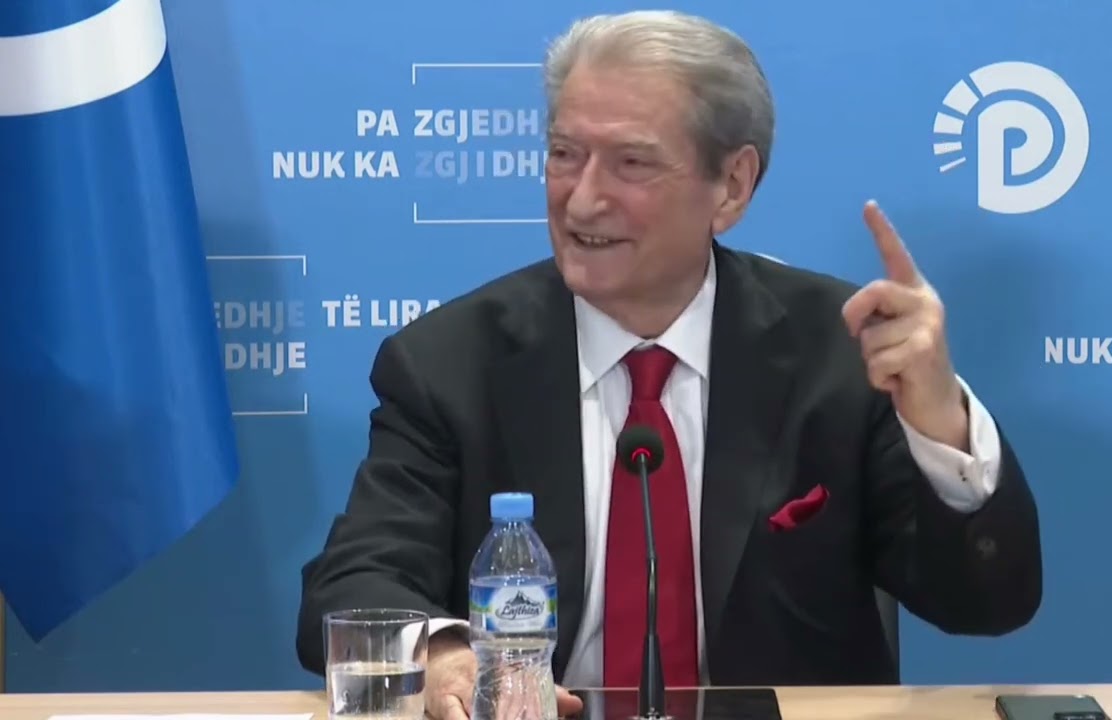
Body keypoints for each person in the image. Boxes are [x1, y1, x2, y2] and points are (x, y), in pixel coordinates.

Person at [295, 9, 1042, 720]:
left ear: (732, 186)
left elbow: (988, 605)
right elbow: (354, 585)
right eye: (564, 155)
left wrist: (940, 422)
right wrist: (444, 654)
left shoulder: (841, 352)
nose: (583, 200)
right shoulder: (451, 363)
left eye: (631, 163)